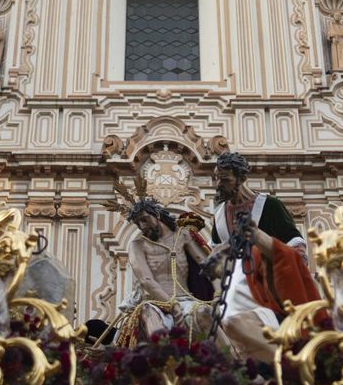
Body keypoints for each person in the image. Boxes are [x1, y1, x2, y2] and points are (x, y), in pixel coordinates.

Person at [207, 151, 322, 359]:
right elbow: (215, 257)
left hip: (267, 290)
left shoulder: (269, 207)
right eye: (216, 178)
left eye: (224, 179)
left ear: (241, 178)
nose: (217, 184)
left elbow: (296, 247)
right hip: (232, 290)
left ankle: (287, 363)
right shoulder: (219, 215)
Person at [118, 197, 213, 343]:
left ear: (156, 214)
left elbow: (206, 265)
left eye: (144, 219)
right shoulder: (137, 245)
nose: (142, 226)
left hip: (187, 301)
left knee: (205, 313)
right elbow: (146, 280)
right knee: (148, 315)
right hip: (156, 303)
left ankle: (234, 361)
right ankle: (164, 359)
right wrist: (172, 306)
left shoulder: (183, 236)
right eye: (138, 224)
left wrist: (219, 294)